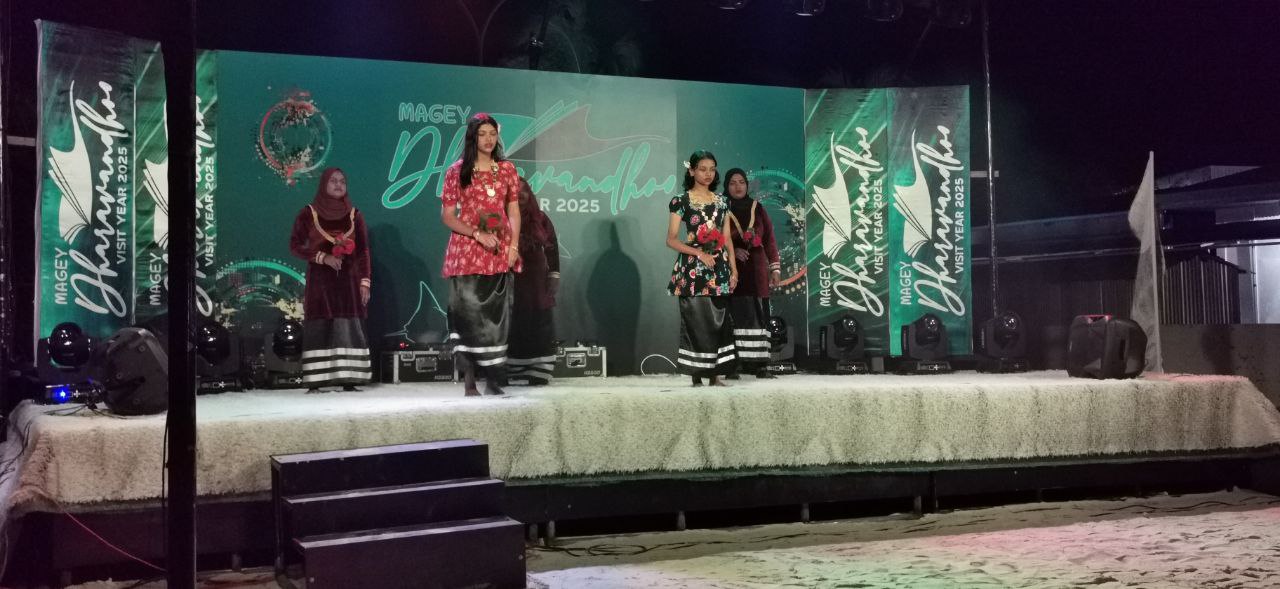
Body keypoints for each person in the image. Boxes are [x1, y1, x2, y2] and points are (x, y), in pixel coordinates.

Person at [439, 113, 522, 396]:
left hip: (499, 250)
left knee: (497, 316)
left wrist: (513, 246)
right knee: (468, 315)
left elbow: (513, 210)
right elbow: (447, 216)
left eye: (492, 134)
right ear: (472, 137)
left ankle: (494, 380)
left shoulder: (507, 170)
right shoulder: (456, 171)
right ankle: (469, 380)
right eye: (482, 134)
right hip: (467, 251)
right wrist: (476, 234)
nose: (488, 139)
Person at [288, 167, 373, 391]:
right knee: (320, 326)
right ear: (323, 184)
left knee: (347, 326)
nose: (338, 184)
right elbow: (295, 246)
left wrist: (365, 282)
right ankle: (316, 381)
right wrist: (322, 257)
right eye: (333, 180)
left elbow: (363, 251)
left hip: (349, 283)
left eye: (342, 181)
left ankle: (349, 379)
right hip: (320, 283)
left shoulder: (355, 215)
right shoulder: (309, 213)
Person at [666, 150, 738, 386]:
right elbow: (671, 239)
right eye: (702, 169)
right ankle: (696, 375)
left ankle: (715, 375)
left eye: (712, 169)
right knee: (696, 321)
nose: (708, 174)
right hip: (693, 268)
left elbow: (727, 238)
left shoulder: (722, 201)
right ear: (692, 171)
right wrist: (699, 253)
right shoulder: (681, 201)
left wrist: (734, 269)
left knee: (719, 320)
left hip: (718, 267)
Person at [724, 168, 782, 379]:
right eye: (732, 183)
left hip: (756, 272)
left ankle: (760, 365)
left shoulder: (758, 208)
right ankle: (734, 365)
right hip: (731, 272)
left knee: (758, 316)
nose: (738, 186)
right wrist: (732, 251)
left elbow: (770, 240)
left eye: (741, 182)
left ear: (747, 185)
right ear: (726, 186)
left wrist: (775, 268)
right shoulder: (721, 209)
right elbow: (715, 239)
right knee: (734, 317)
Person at [508, 178, 560, 385]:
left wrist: (554, 275)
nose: (520, 195)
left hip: (536, 281)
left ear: (530, 194)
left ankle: (539, 371)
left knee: (539, 321)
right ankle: (513, 370)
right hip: (510, 278)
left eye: (524, 191)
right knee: (513, 322)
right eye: (515, 191)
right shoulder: (501, 217)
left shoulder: (541, 218)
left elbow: (552, 248)